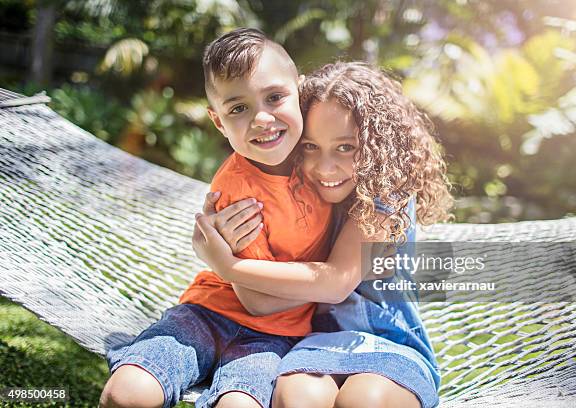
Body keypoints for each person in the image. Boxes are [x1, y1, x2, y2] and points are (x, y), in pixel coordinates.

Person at [193, 62, 453, 408]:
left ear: (378, 148)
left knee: (363, 400)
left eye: (345, 147)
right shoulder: (301, 192)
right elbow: (259, 302)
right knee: (296, 396)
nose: (325, 168)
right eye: (311, 147)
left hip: (391, 343)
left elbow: (333, 284)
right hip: (314, 342)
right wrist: (226, 231)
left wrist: (226, 266)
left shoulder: (386, 198)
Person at [99, 28, 334, 408]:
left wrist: (228, 264)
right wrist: (313, 286)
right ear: (219, 122)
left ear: (301, 93)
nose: (261, 119)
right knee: (126, 393)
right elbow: (257, 301)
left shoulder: (328, 169)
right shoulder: (235, 190)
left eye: (275, 97)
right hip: (207, 313)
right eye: (238, 108)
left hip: (275, 337)